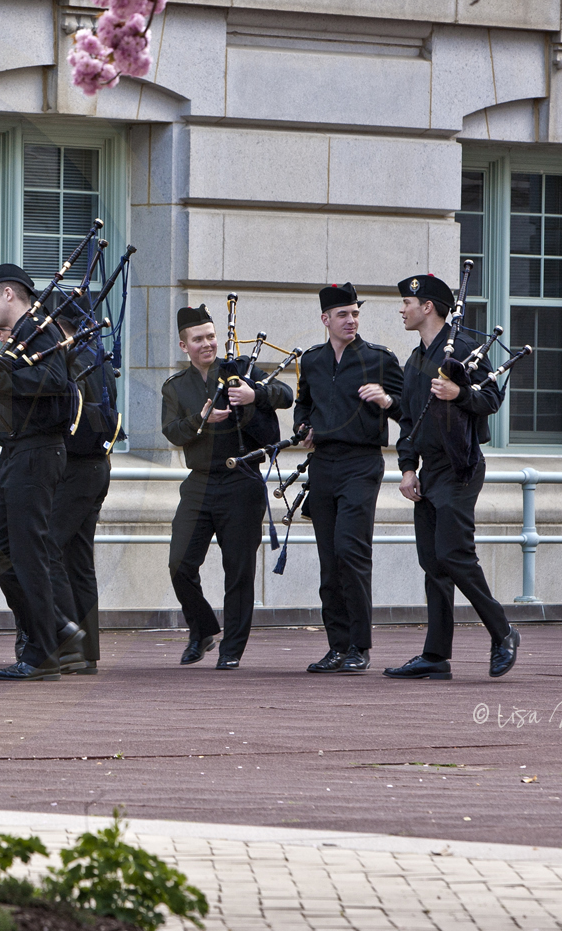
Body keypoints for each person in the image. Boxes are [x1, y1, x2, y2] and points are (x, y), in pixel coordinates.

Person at [386, 273, 520, 680]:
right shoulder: (413, 359)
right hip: (429, 469)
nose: (402, 310)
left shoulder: (462, 349)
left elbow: (492, 398)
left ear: (426, 306)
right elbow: (408, 420)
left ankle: (504, 633)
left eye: (407, 304)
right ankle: (435, 655)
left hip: (461, 465)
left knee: (453, 554)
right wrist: (408, 468)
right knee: (433, 562)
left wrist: (459, 394)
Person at [0, 263, 79, 682]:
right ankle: (51, 626)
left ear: (9, 294)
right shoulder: (12, 344)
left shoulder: (41, 328)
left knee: (29, 554)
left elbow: (54, 380)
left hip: (38, 452)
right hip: (12, 455)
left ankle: (43, 650)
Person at [161, 304, 293, 670]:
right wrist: (199, 418)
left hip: (241, 482)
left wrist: (255, 395)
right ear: (184, 345)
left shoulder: (242, 371)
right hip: (200, 483)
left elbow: (285, 394)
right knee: (180, 564)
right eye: (198, 339)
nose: (207, 344)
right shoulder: (175, 386)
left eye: (211, 336)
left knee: (239, 570)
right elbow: (172, 432)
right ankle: (202, 629)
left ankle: (232, 648)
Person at [293, 282, 405, 676]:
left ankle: (360, 646)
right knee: (329, 561)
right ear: (326, 319)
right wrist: (302, 425)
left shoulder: (380, 359)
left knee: (350, 553)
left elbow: (410, 408)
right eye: (343, 314)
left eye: (355, 313)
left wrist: (387, 400)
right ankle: (337, 647)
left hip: (362, 463)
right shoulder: (312, 361)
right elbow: (303, 401)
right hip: (324, 464)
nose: (351, 320)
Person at [48, 297, 120, 674]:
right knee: (78, 559)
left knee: (48, 550)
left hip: (75, 467)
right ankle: (87, 650)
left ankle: (66, 640)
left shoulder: (72, 359)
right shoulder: (97, 357)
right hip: (97, 466)